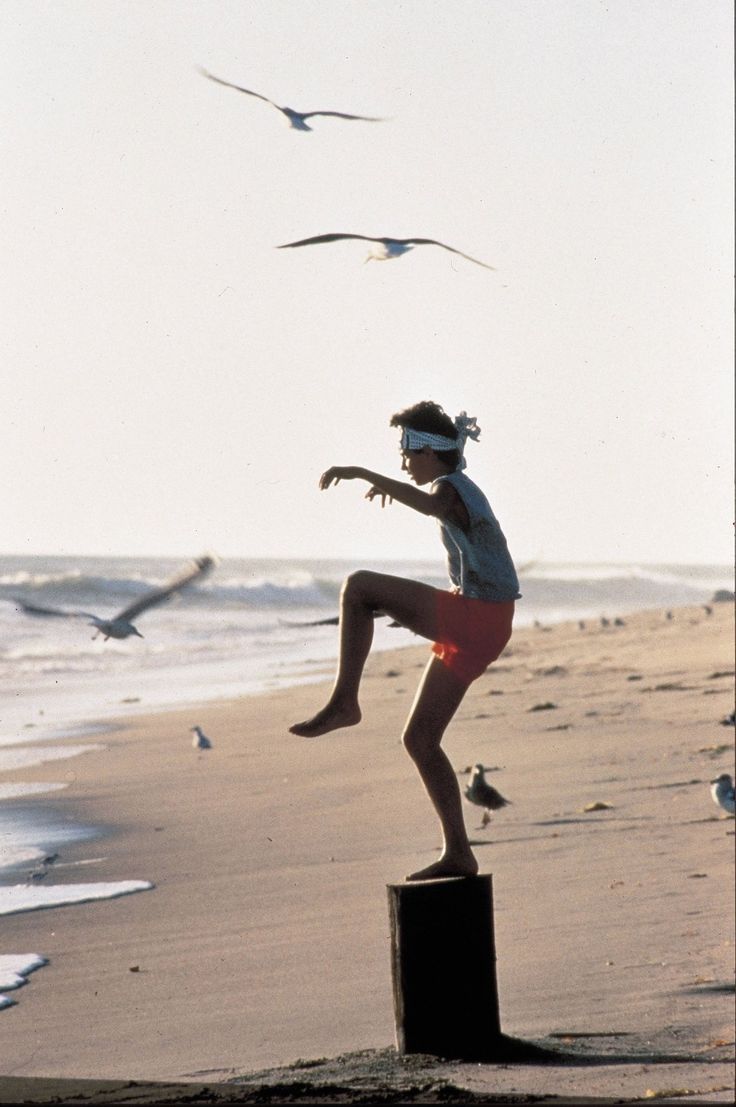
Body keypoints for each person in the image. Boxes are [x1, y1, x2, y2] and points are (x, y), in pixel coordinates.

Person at [289, 400, 521, 880]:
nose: (402, 463)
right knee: (419, 738)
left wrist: (358, 471)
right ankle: (459, 852)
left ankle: (344, 702)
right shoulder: (452, 486)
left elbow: (435, 507)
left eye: (406, 452)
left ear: (428, 451)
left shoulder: (450, 486)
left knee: (358, 586)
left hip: (478, 619)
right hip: (483, 625)